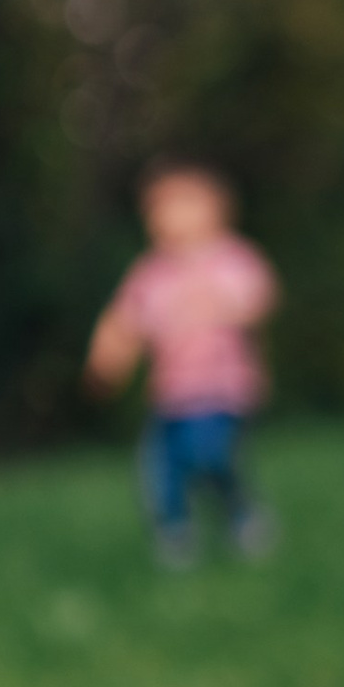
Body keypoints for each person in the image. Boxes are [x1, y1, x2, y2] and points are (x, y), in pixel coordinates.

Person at [85, 160, 279, 565]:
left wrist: (217, 304)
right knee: (160, 470)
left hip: (222, 388)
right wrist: (107, 358)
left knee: (210, 457)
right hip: (170, 394)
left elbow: (259, 298)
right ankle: (175, 534)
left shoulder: (231, 259)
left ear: (215, 208)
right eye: (155, 206)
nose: (162, 214)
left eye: (177, 203)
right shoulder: (150, 274)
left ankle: (241, 514)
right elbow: (124, 321)